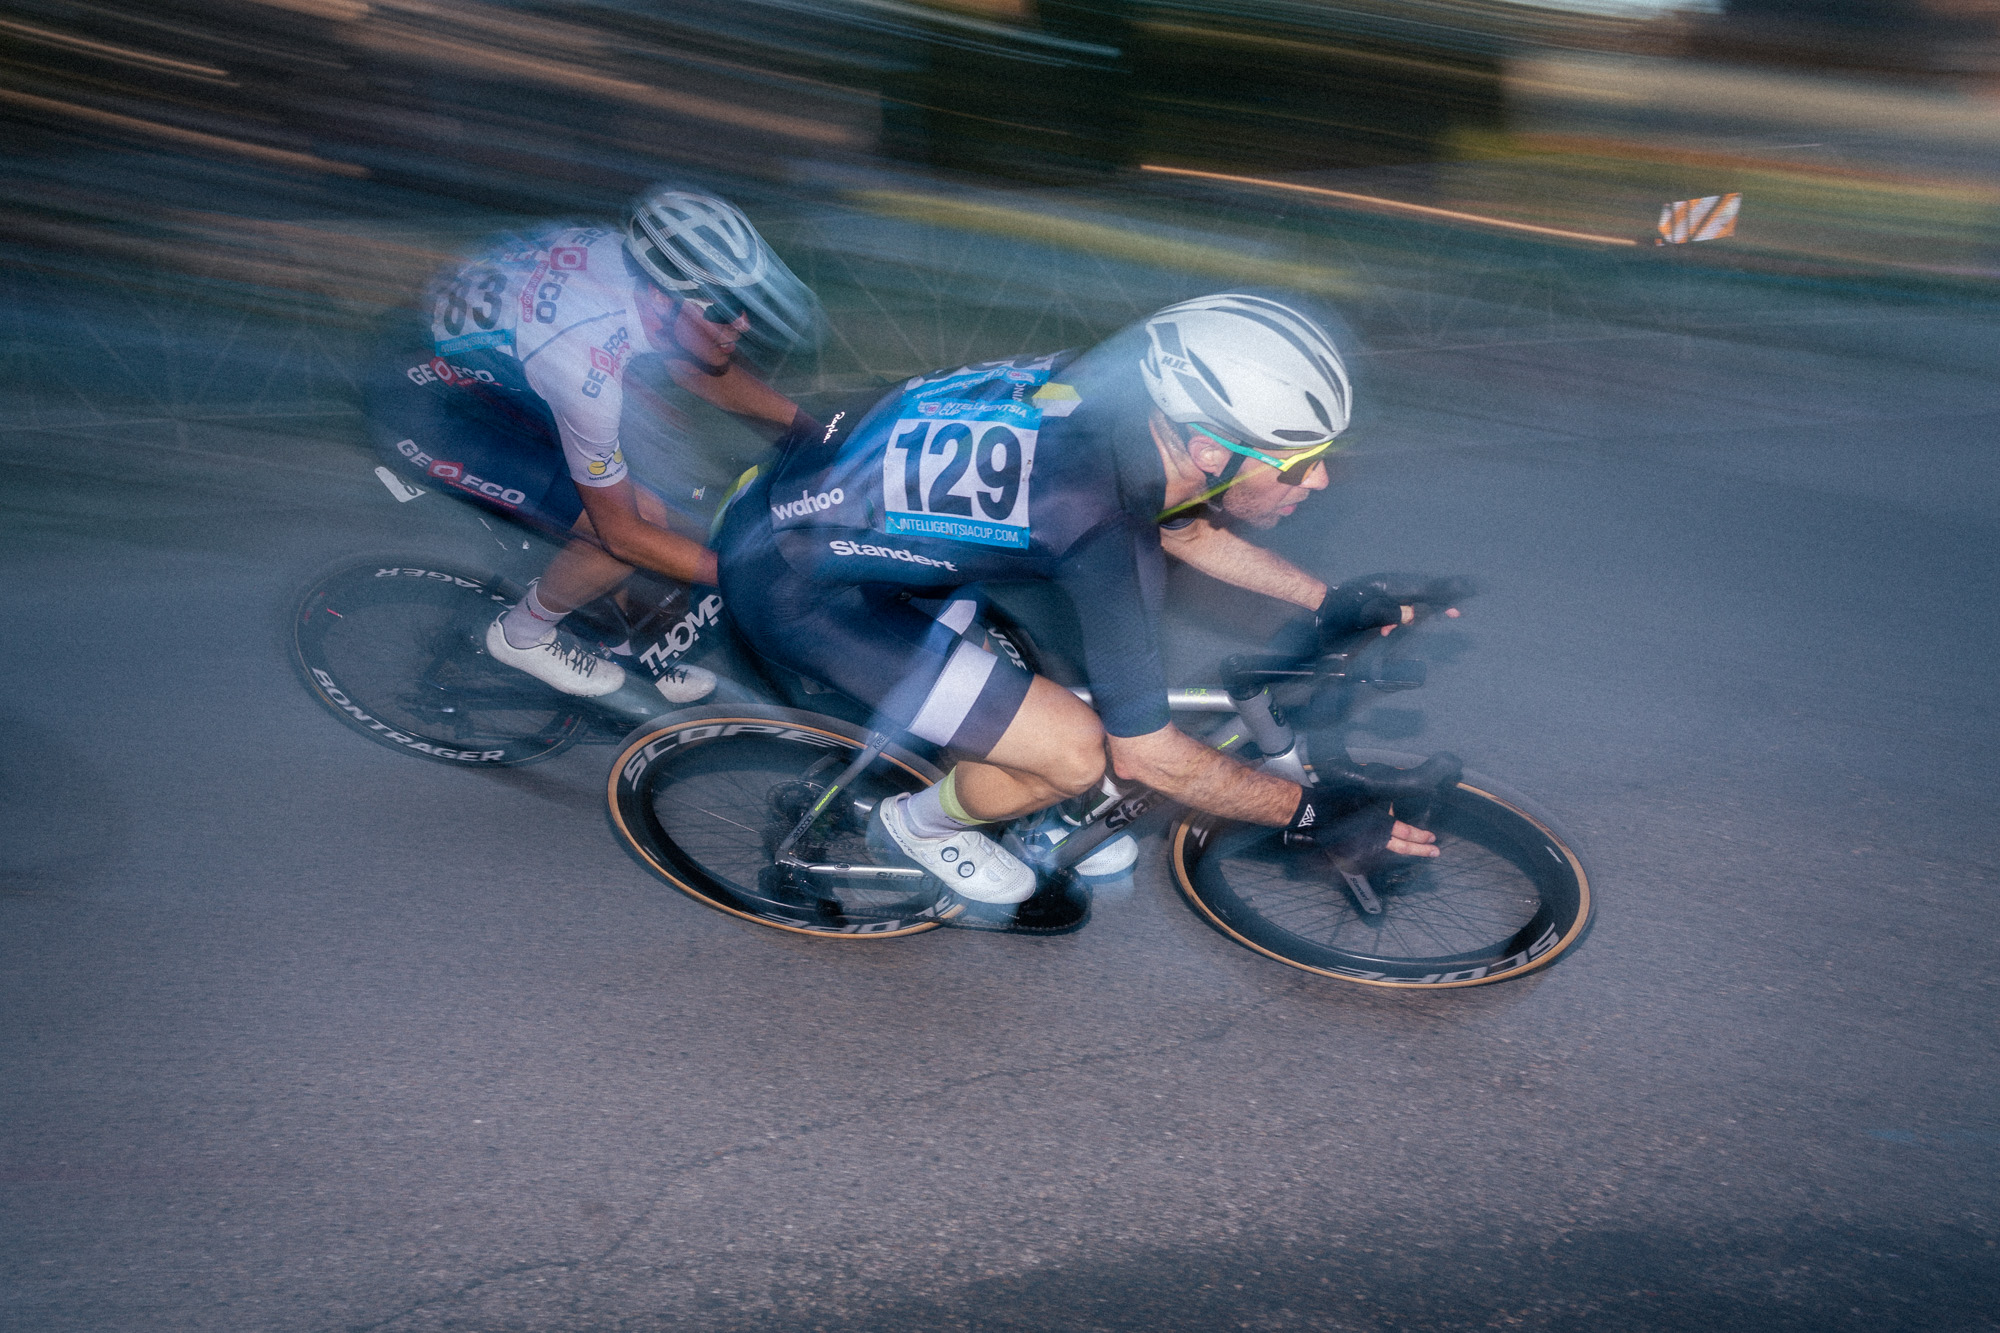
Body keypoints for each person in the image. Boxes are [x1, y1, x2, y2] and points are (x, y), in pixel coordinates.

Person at [713, 292, 1454, 908]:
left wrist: (1328, 601)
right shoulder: (1099, 525)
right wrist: (1308, 811)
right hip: (799, 588)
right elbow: (1147, 758)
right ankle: (918, 826)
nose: (1319, 481)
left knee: (1034, 689)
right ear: (1209, 450)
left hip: (826, 510)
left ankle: (1002, 795)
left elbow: (1186, 530)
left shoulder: (1124, 402)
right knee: (1074, 751)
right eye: (1297, 463)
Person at [367, 186, 821, 700]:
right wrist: (745, 579)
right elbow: (621, 533)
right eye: (724, 310)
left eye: (745, 306)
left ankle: (631, 651)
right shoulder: (583, 366)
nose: (741, 324)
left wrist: (815, 432)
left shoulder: (641, 272)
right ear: (657, 296)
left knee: (668, 489)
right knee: (642, 519)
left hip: (496, 378)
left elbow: (696, 365)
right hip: (430, 412)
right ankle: (523, 634)